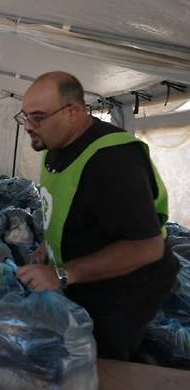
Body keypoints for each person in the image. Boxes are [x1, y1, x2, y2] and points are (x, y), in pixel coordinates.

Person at [14, 71, 179, 361]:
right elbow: (69, 207)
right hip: (83, 278)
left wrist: (62, 273)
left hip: (123, 288)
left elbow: (147, 247)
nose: (28, 126)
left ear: (73, 111)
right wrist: (49, 245)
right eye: (24, 116)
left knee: (101, 359)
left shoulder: (113, 161)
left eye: (37, 117)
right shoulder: (54, 146)